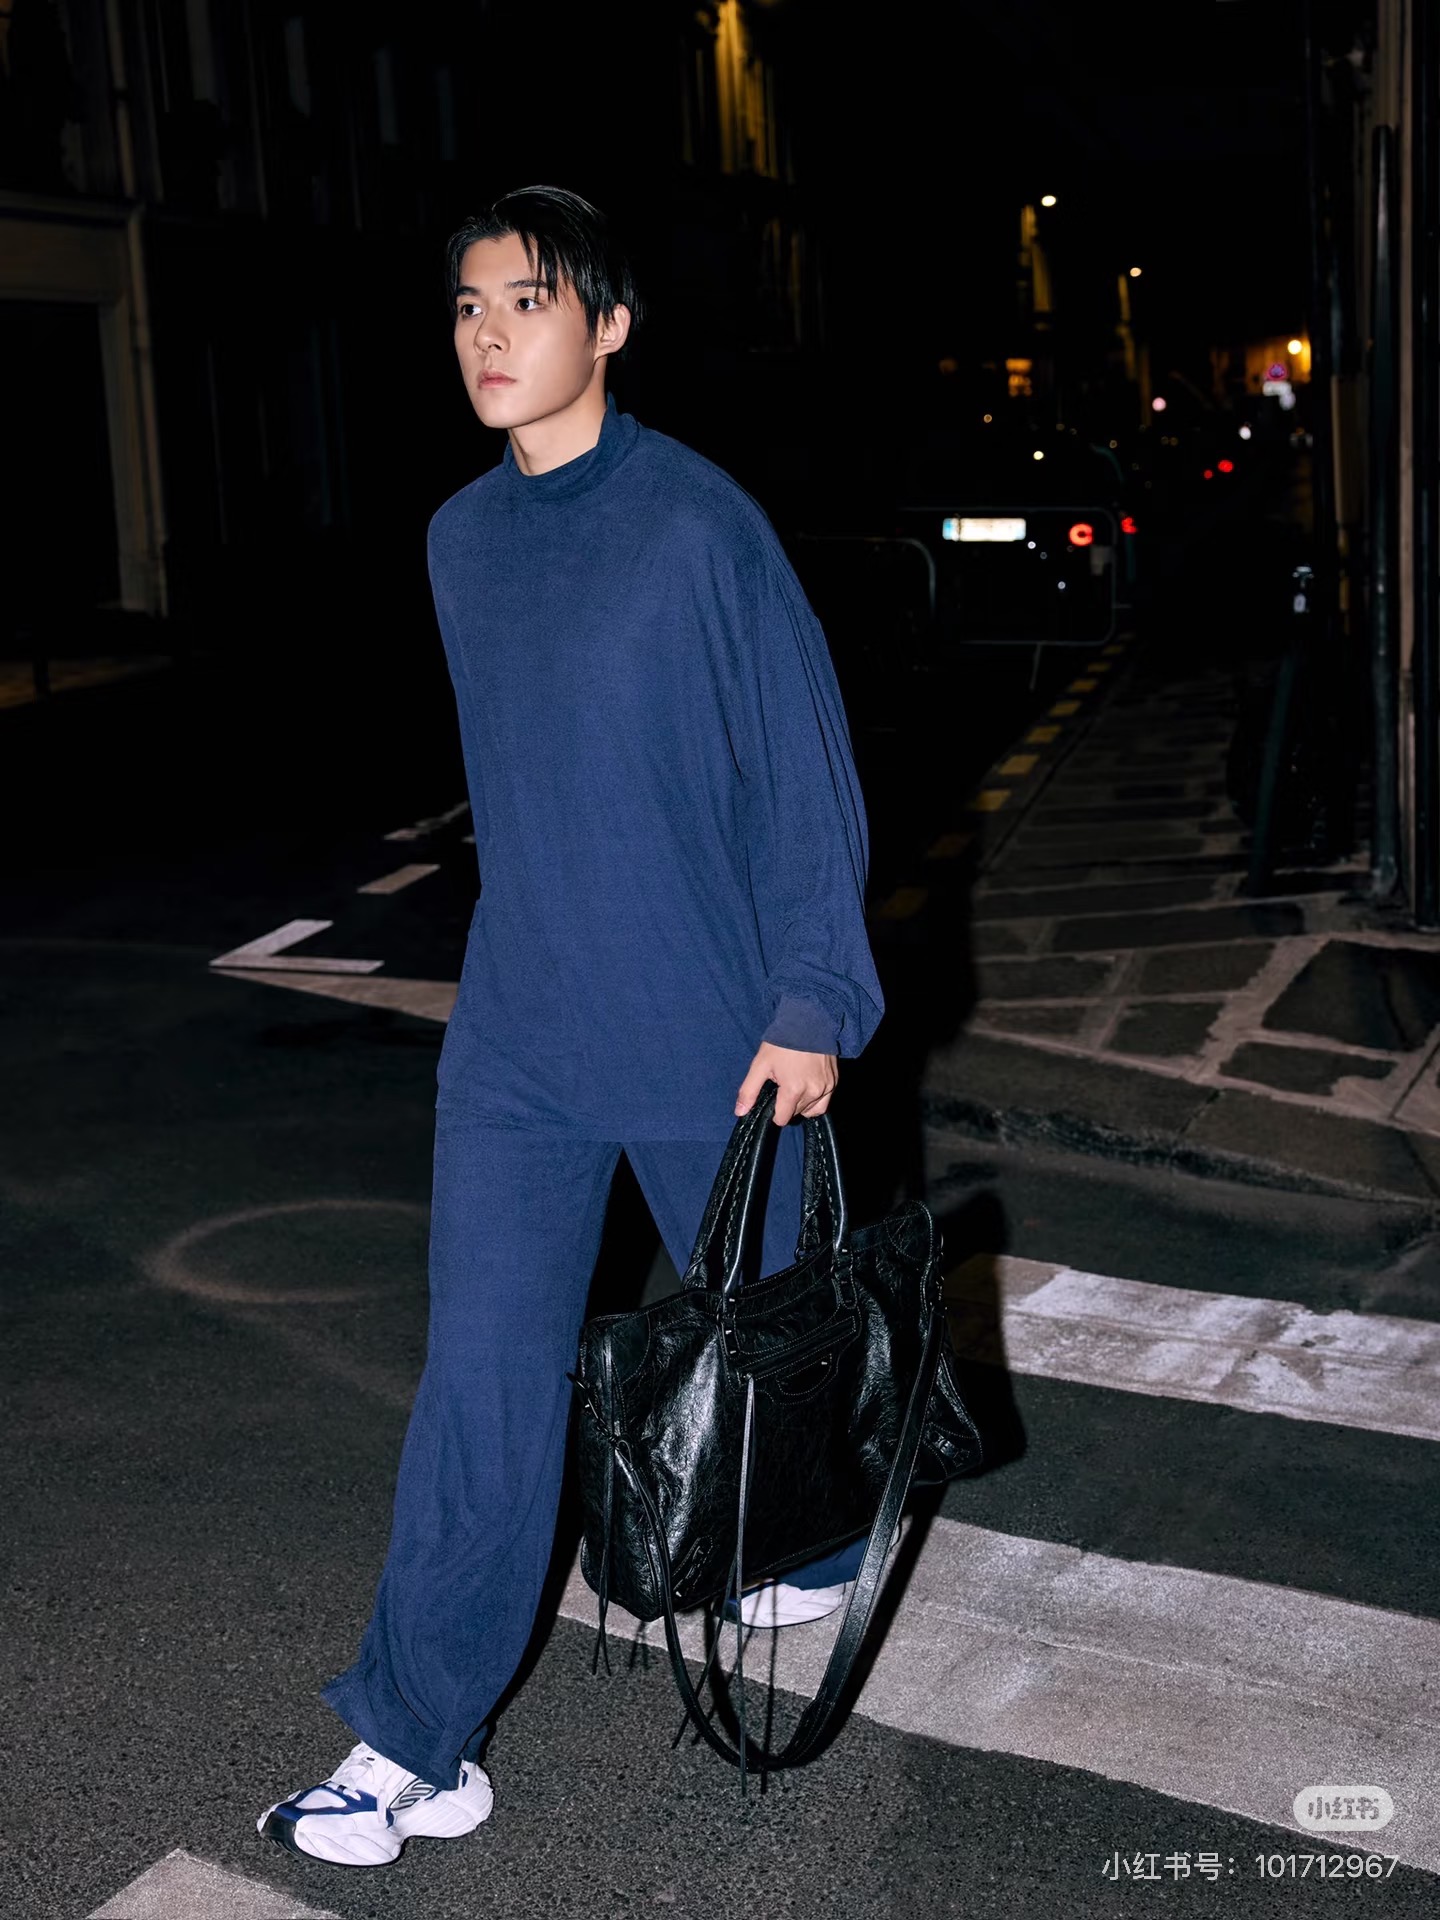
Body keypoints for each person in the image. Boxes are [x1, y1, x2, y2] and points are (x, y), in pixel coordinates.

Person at [258, 184, 884, 1869]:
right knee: (481, 1382)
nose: (486, 335)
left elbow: (798, 769)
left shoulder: (698, 527)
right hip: (523, 1037)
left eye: (524, 301)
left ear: (607, 325)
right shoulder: (460, 542)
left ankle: (815, 1540)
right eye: (466, 306)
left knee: (777, 1336)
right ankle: (415, 1740)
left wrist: (813, 996)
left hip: (706, 1024)